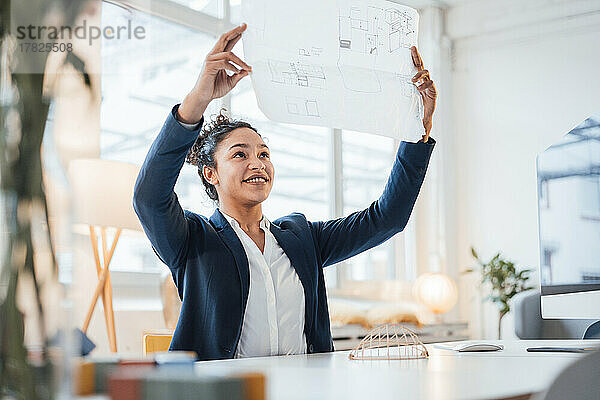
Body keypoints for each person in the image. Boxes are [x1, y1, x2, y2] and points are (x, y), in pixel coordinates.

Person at [133, 23, 437, 361]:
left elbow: (386, 219)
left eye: (264, 153)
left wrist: (416, 131)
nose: (258, 163)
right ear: (210, 173)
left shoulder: (301, 238)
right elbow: (149, 197)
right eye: (240, 154)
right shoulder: (192, 239)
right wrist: (198, 99)